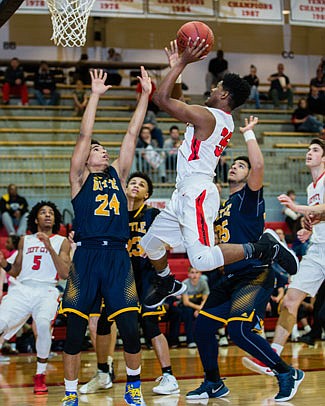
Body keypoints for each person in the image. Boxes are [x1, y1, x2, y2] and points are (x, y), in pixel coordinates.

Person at [140, 40, 298, 310]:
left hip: (198, 192)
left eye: (216, 87)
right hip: (184, 192)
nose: (212, 89)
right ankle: (166, 281)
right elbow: (176, 99)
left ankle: (262, 247)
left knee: (201, 260)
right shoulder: (213, 117)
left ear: (224, 95)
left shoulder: (208, 118)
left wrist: (182, 63)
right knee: (150, 243)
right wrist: (175, 69)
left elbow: (162, 100)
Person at [186, 117, 304, 402]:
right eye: (235, 165)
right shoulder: (222, 204)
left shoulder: (249, 199)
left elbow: (259, 167)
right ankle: (213, 383)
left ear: (249, 175)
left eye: (241, 165)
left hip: (255, 274)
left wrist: (249, 135)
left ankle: (287, 372)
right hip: (229, 277)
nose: (235, 167)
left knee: (238, 330)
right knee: (202, 328)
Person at [60, 67, 151, 406]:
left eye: (101, 148)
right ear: (86, 158)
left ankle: (133, 388)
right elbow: (84, 136)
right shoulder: (79, 178)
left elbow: (131, 133)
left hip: (117, 256)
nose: (101, 149)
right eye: (96, 149)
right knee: (72, 332)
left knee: (129, 327)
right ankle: (71, 394)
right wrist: (94, 96)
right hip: (85, 258)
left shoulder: (118, 174)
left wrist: (144, 95)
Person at [80, 171, 180, 397]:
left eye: (141, 184)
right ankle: (103, 373)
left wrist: (162, 246)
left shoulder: (153, 214)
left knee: (150, 324)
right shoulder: (114, 215)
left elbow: (170, 240)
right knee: (104, 323)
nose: (135, 185)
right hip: (121, 277)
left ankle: (169, 376)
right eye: (132, 182)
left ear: (147, 194)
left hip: (146, 277)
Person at [242, 138, 325, 379]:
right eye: (309, 149)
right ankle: (273, 360)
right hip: (318, 249)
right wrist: (308, 228)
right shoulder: (311, 188)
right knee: (289, 301)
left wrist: (297, 209)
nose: (310, 153)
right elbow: (318, 215)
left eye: (316, 150)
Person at [0, 201, 70, 394]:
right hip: (22, 289)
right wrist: (5, 263)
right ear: (36, 218)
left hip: (47, 290)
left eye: (51, 213)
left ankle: (40, 375)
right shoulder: (25, 240)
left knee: (42, 326)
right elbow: (15, 271)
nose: (48, 215)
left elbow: (64, 274)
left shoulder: (61, 241)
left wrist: (49, 247)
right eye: (43, 212)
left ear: (55, 219)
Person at [178, 267, 210, 348]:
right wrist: (198, 308)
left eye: (197, 272)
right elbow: (186, 302)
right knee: (188, 313)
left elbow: (205, 299)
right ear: (188, 274)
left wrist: (200, 310)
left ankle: (204, 339)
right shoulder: (185, 283)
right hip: (186, 306)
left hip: (199, 304)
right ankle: (191, 340)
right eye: (192, 272)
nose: (194, 275)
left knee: (207, 312)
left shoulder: (203, 282)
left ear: (200, 274)